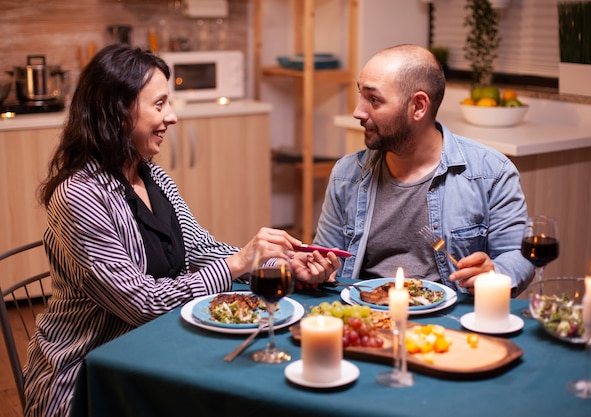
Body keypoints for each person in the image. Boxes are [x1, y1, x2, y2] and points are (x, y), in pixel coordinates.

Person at [23, 44, 340, 417]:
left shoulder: (152, 175)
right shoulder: (80, 196)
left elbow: (202, 247)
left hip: (154, 350)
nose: (172, 117)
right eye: (159, 104)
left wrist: (277, 262)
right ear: (118, 112)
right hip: (88, 378)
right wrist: (239, 263)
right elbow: (141, 304)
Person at [313, 44, 534, 296]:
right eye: (361, 95)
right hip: (366, 315)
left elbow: (519, 256)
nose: (358, 111)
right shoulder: (347, 173)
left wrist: (494, 273)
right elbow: (327, 260)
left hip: (450, 325)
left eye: (373, 99)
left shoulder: (492, 173)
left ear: (418, 106)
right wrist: (314, 268)